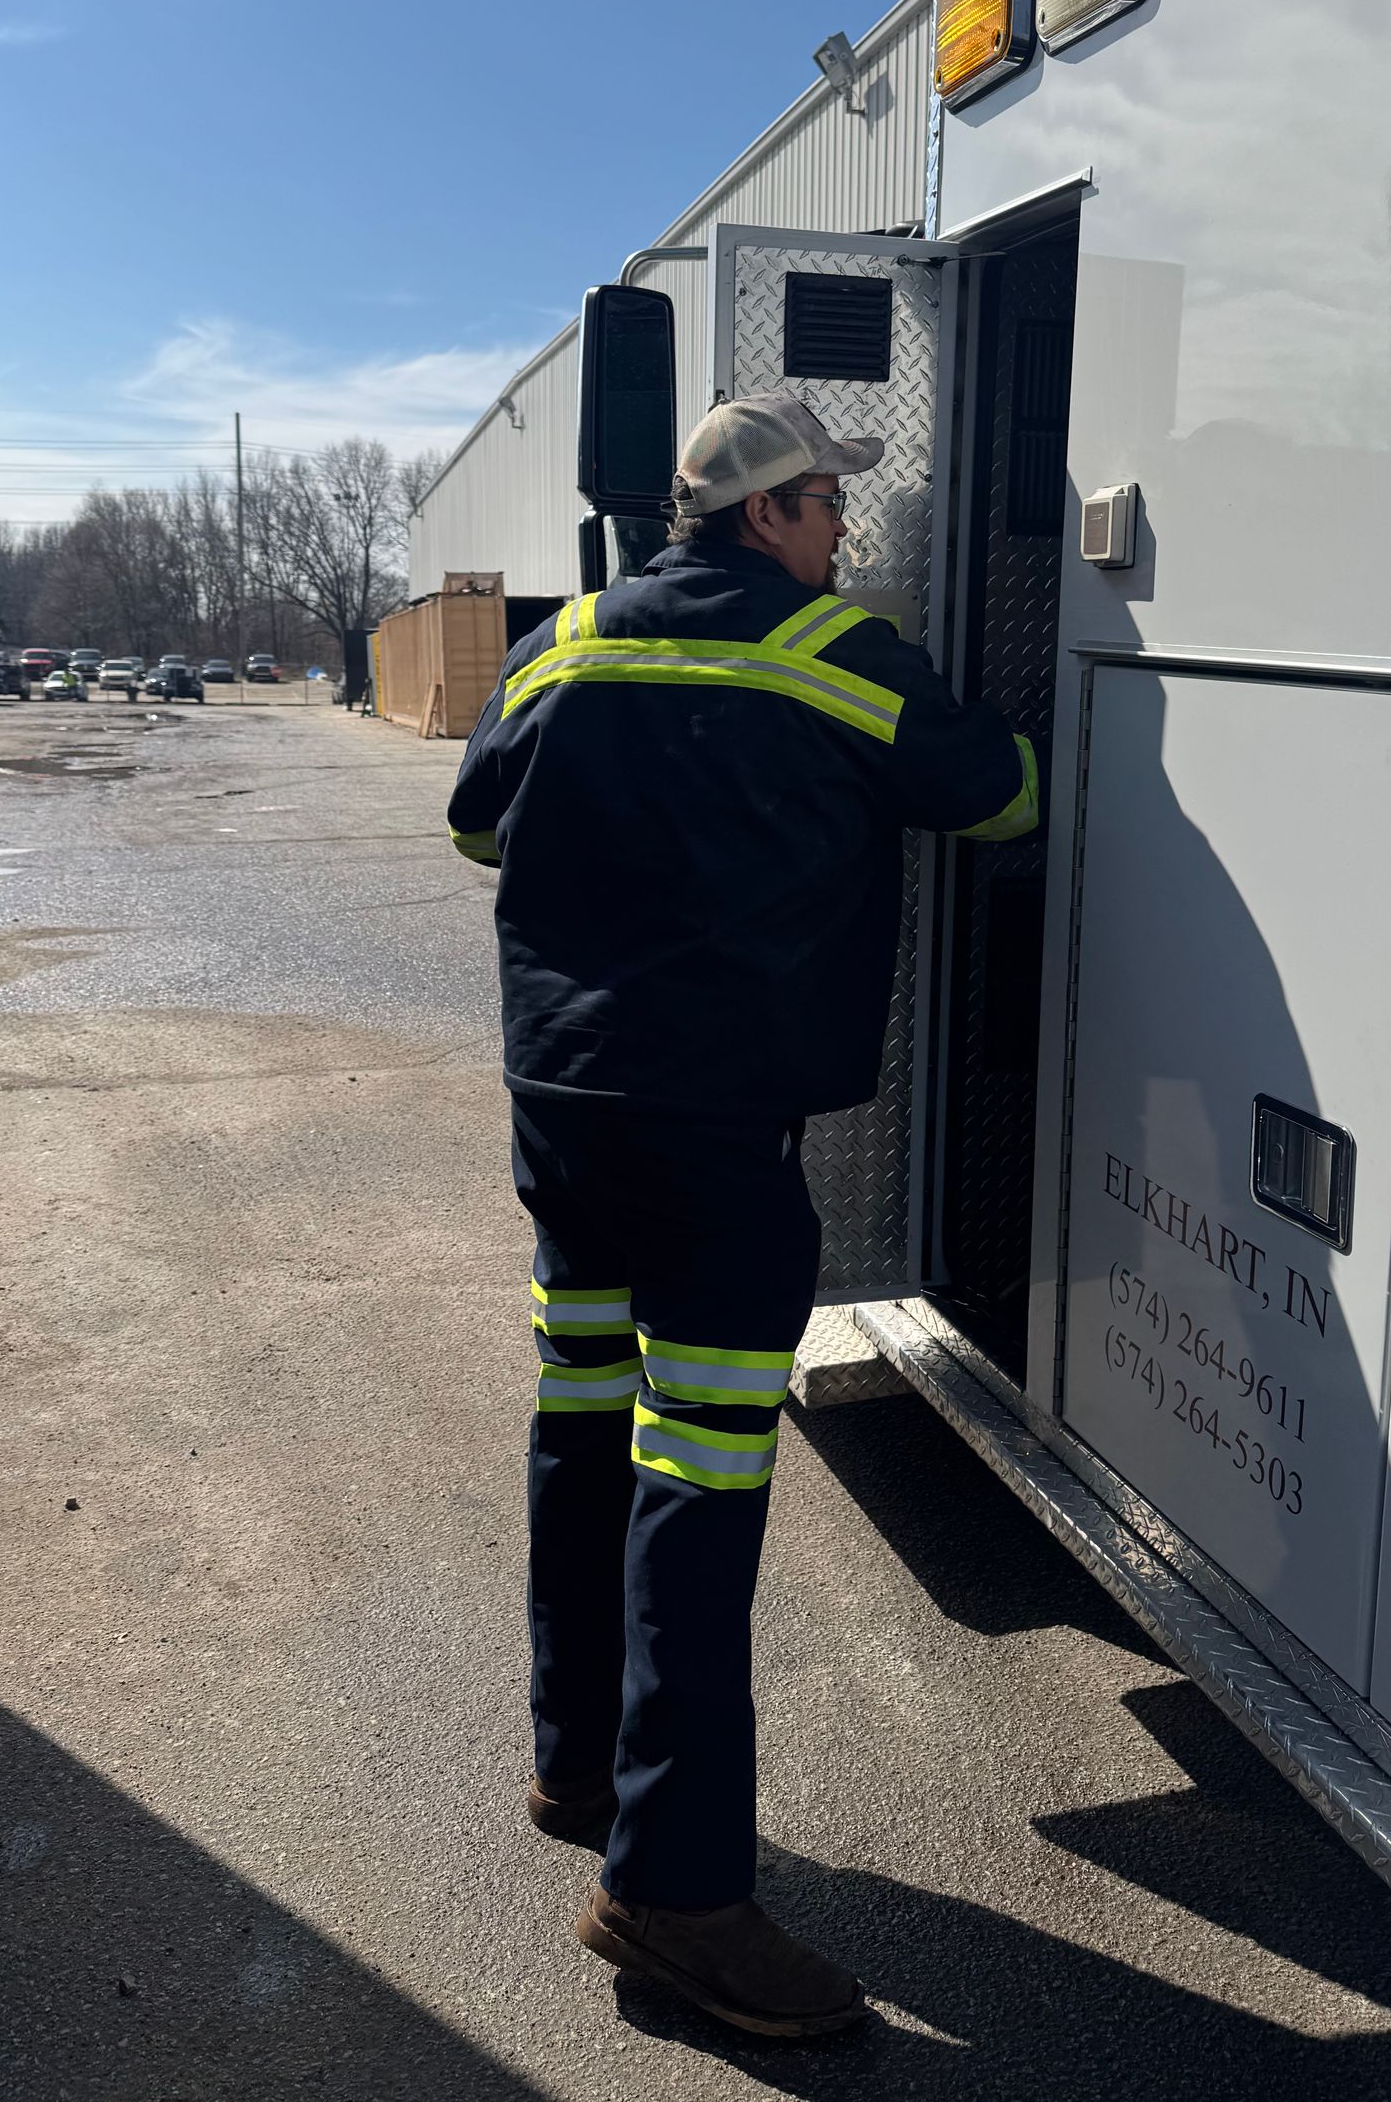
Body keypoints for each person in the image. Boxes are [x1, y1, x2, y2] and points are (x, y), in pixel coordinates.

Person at [446, 393, 1038, 2040]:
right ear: (770, 516)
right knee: (697, 1495)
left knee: (582, 1413)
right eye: (830, 504)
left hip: (563, 1107)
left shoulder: (563, 644)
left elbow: (478, 822)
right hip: (712, 1135)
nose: (845, 527)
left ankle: (579, 1762)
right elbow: (996, 797)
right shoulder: (839, 651)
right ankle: (677, 1896)